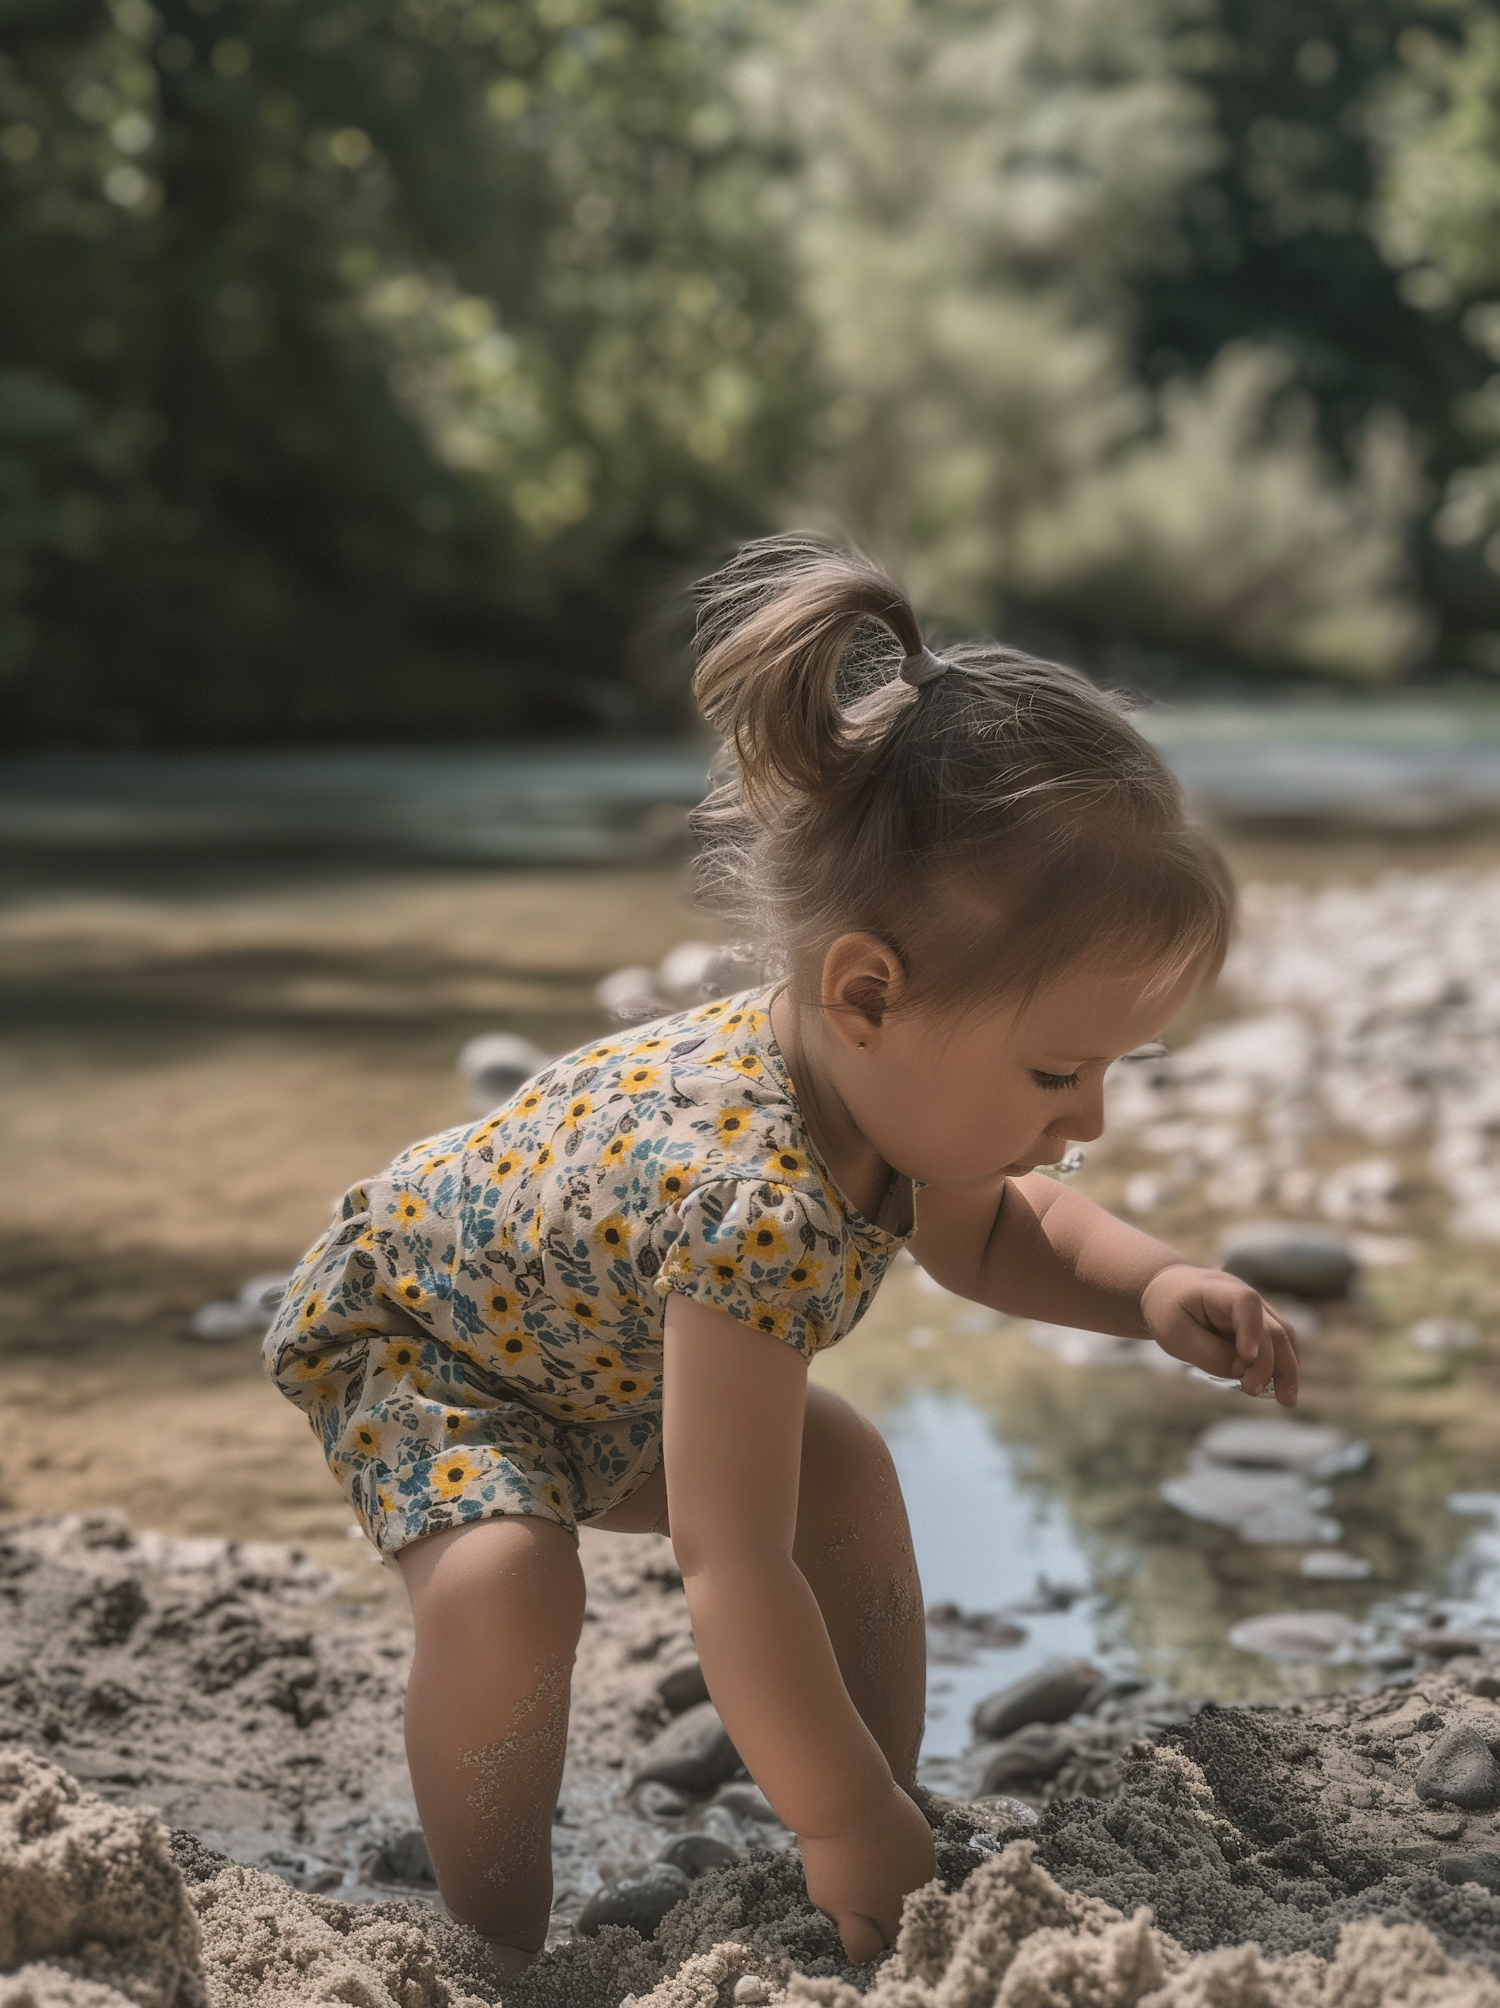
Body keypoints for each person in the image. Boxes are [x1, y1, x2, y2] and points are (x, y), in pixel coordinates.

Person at [264, 534, 1298, 1974]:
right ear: (867, 991)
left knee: (851, 1471)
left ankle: (887, 1811)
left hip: (595, 1357)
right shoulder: (753, 1195)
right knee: (510, 1581)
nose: (1093, 1118)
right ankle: (489, 1934)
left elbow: (997, 1231)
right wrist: (834, 1816)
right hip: (432, 1349)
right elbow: (726, 1561)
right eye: (1062, 1072)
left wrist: (1150, 1285)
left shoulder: (890, 1088)